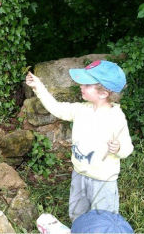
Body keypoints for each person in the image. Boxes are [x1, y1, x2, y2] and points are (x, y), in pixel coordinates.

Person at [26, 60, 134, 221]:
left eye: (86, 84)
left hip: (103, 181)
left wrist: (118, 148)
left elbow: (127, 148)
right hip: (79, 174)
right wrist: (38, 87)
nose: (80, 86)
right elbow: (56, 107)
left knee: (103, 220)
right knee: (77, 215)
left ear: (104, 93)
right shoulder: (81, 110)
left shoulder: (116, 118)